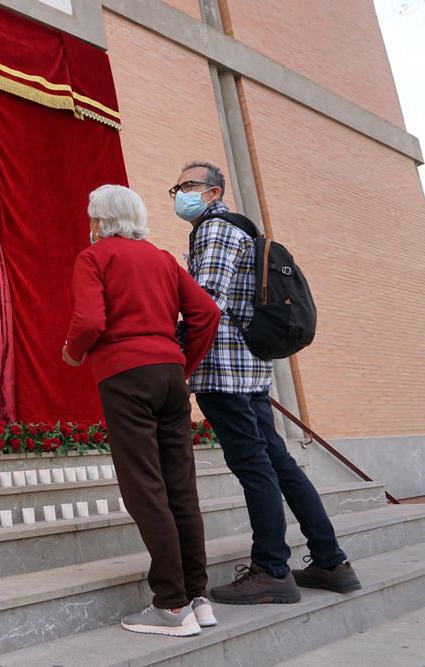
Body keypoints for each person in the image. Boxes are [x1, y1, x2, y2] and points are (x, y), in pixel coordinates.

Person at [172, 160, 361, 604]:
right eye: (177, 187)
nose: (180, 193)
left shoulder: (215, 230)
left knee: (254, 467)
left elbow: (205, 303)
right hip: (250, 367)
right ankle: (331, 561)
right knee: (278, 464)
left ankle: (271, 569)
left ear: (214, 192)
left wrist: (176, 358)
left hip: (225, 370)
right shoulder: (243, 230)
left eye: (189, 185)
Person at [63, 184, 221, 637]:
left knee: (144, 488)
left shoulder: (94, 257)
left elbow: (90, 321)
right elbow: (206, 313)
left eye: (92, 216)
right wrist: (180, 361)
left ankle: (170, 606)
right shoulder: (163, 259)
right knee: (180, 487)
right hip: (170, 376)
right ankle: (197, 598)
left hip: (125, 376)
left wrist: (74, 353)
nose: (89, 224)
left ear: (100, 220)